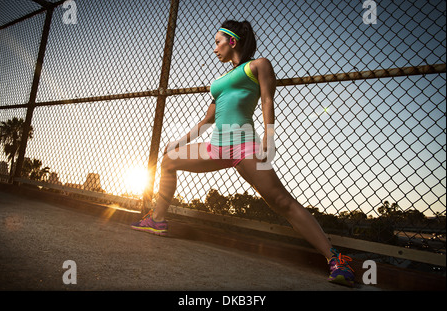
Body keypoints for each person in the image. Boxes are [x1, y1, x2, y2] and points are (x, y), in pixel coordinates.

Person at [131, 20, 355, 287]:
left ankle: (335, 259)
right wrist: (178, 142)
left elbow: (267, 99)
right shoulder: (219, 82)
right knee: (168, 162)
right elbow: (207, 121)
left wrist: (269, 139)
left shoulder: (258, 65)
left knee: (281, 201)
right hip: (215, 148)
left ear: (232, 41)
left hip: (244, 145)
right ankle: (157, 221)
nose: (214, 48)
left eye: (217, 42)